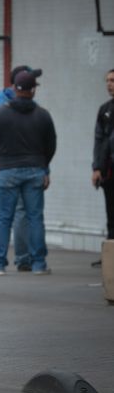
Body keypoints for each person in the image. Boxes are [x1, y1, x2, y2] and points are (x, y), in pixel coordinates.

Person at [0, 70, 56, 275]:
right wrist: (42, 165)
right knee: (34, 217)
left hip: (7, 170)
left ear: (14, 89)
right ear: (33, 90)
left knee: (3, 218)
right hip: (35, 171)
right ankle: (38, 264)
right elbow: (51, 145)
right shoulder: (43, 114)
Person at [92, 69, 114, 267]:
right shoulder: (105, 109)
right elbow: (99, 140)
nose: (109, 84)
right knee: (111, 214)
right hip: (109, 172)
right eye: (107, 80)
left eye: (113, 81)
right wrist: (96, 168)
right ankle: (110, 255)